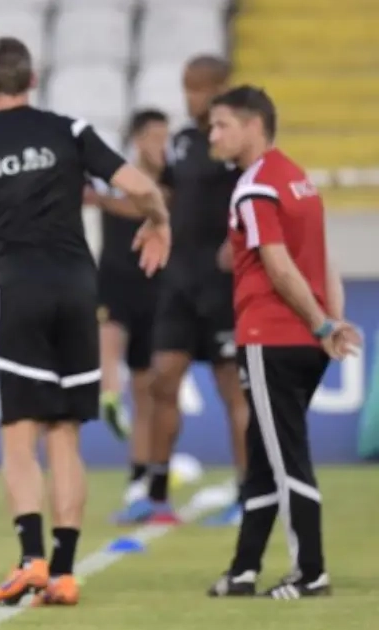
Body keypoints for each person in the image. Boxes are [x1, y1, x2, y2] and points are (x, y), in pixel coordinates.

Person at [0, 38, 171, 606]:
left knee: (19, 435)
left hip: (18, 289)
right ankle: (65, 572)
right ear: (33, 79)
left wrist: (3, 271)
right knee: (66, 434)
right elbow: (141, 187)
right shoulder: (69, 131)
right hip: (77, 288)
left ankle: (31, 561)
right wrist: (158, 223)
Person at [205, 86, 356, 600]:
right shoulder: (297, 179)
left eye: (221, 125)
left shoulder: (255, 187)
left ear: (253, 125)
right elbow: (323, 258)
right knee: (264, 456)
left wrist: (321, 324)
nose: (213, 135)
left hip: (271, 336)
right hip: (304, 339)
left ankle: (310, 573)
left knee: (287, 457)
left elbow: (278, 264)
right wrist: (331, 320)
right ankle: (243, 570)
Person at [129, 55, 250, 527]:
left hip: (222, 286)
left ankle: (248, 495)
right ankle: (156, 495)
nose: (191, 98)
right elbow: (167, 195)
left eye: (199, 89)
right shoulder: (181, 142)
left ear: (221, 89)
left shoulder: (235, 144)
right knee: (163, 381)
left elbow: (254, 199)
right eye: (187, 88)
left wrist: (236, 243)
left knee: (233, 391)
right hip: (178, 283)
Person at [86, 109, 170, 506]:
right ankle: (108, 396)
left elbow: (147, 207)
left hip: (154, 287)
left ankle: (140, 471)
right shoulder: (115, 176)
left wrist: (100, 201)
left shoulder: (167, 182)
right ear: (138, 140)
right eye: (155, 137)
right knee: (109, 341)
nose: (163, 146)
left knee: (147, 388)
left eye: (166, 138)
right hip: (113, 282)